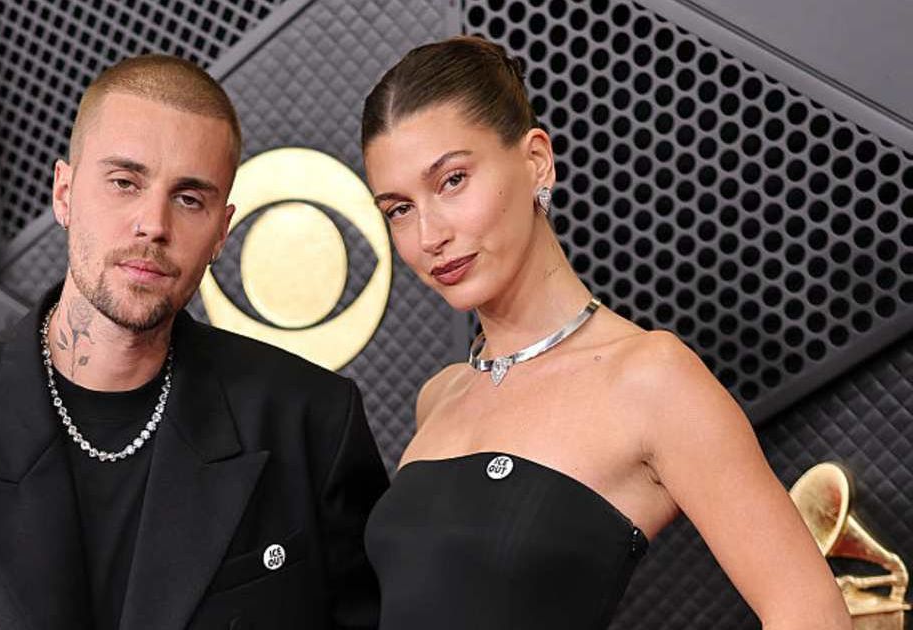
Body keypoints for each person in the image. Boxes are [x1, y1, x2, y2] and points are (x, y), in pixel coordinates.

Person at [0, 54, 388, 630]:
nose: (153, 223)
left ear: (221, 230)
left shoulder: (311, 422)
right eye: (124, 183)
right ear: (63, 193)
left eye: (189, 198)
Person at [358, 36, 851, 630]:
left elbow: (809, 611)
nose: (429, 234)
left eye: (453, 180)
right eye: (399, 209)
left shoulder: (650, 378)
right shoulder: (441, 396)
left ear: (536, 160)